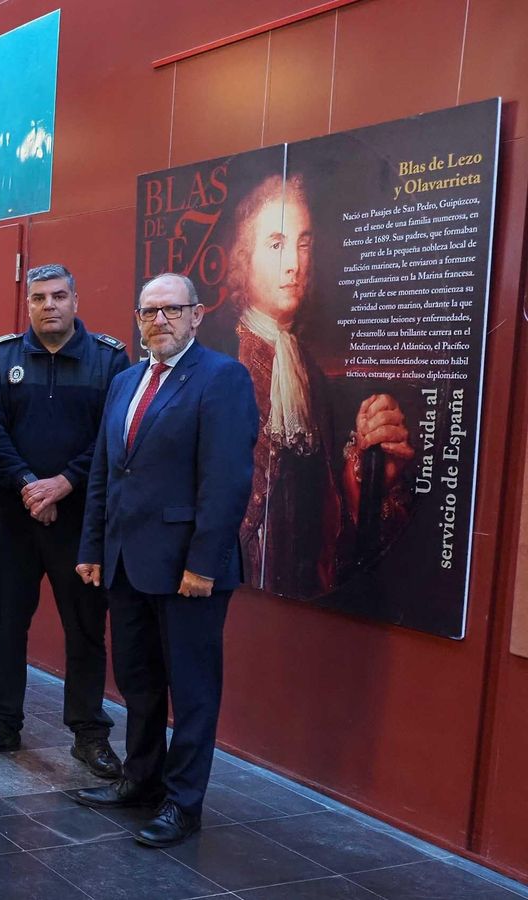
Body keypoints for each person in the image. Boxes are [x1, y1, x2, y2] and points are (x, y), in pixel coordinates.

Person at [73, 273, 258, 848]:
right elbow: (106, 473)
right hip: (127, 564)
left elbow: (226, 482)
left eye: (172, 310)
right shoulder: (126, 380)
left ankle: (183, 804)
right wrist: (93, 550)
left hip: (188, 570)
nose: (160, 321)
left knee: (193, 690)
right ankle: (142, 780)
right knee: (139, 682)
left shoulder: (222, 378)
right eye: (149, 312)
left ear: (197, 315)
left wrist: (204, 562)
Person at [0, 264, 129, 779]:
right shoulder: (0, 358)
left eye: (59, 296)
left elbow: (112, 436)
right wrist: (30, 486)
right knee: (6, 623)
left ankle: (89, 732)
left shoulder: (109, 359)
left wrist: (63, 484)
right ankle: (1, 722)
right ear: (28, 304)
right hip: (14, 520)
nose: (49, 306)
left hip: (79, 521)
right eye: (38, 298)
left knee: (84, 628)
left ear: (76, 300)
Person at [225, 174, 412, 598]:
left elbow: (325, 497)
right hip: (239, 578)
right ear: (242, 258)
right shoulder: (224, 353)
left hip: (300, 583)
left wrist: (363, 463)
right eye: (276, 244)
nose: (294, 262)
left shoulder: (306, 366)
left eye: (303, 243)